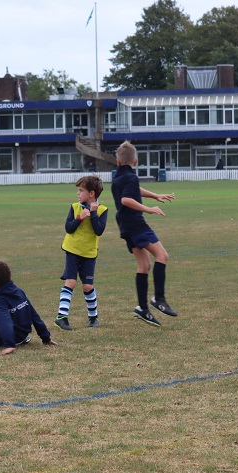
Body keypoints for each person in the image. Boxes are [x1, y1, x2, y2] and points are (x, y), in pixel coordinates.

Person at [111, 140, 177, 327]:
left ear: (118, 162)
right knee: (162, 256)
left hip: (125, 225)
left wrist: (155, 195)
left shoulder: (118, 177)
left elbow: (132, 190)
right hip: (135, 224)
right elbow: (126, 199)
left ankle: (142, 308)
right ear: (136, 161)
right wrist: (148, 209)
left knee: (144, 265)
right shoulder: (131, 178)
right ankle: (159, 299)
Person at [0, 260, 57, 355]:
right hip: (22, 336)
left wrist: (9, 344)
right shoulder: (18, 291)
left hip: (10, 339)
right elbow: (34, 315)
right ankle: (7, 337)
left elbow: (5, 321)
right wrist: (46, 337)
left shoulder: (0, 300)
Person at [54, 175, 108, 331]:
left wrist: (93, 214)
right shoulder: (75, 207)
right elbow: (68, 228)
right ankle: (62, 317)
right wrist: (79, 218)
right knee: (70, 282)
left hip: (89, 254)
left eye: (81, 190)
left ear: (91, 194)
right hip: (72, 251)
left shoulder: (103, 210)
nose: (78, 193)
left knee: (87, 286)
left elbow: (99, 230)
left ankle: (93, 318)